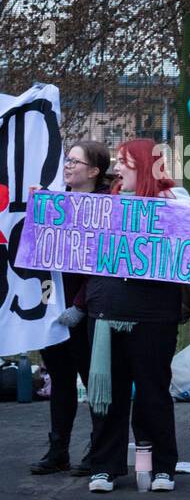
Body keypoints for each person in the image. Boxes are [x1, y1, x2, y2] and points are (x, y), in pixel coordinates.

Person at [83, 140, 190, 493]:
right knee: (106, 392)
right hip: (106, 313)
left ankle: (163, 467)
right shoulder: (103, 206)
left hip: (153, 316)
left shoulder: (173, 203)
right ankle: (104, 466)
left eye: (125, 163)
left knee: (152, 393)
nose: (117, 169)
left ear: (144, 166)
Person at [30, 141, 113, 475]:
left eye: (75, 162)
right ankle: (58, 449)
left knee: (92, 382)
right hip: (53, 305)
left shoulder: (107, 205)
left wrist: (80, 305)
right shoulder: (53, 200)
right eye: (67, 160)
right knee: (60, 378)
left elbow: (103, 261)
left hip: (86, 309)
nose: (67, 166)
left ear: (93, 171)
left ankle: (99, 450)